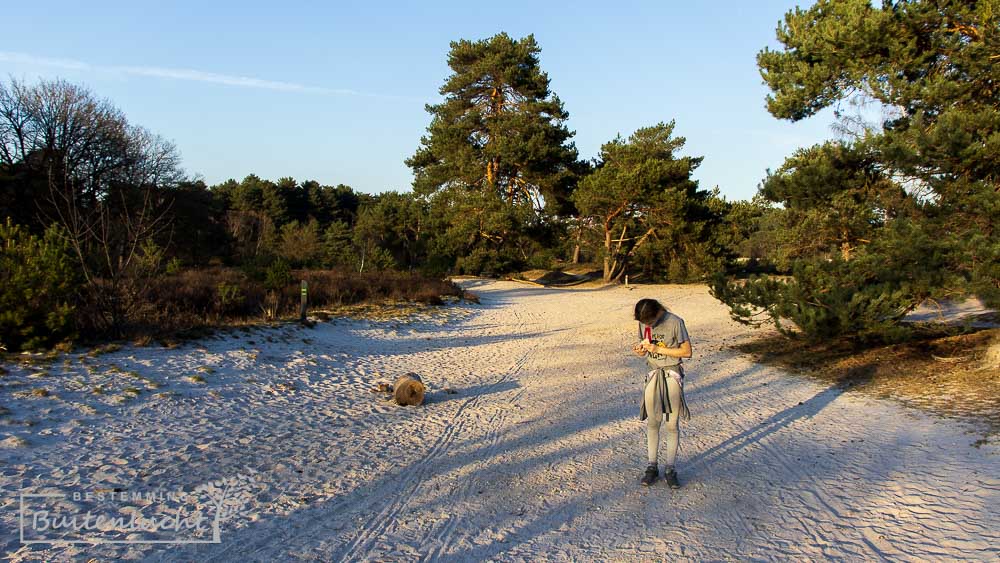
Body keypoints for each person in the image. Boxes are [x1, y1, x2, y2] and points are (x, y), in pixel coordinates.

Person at [631, 298, 691, 488]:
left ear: (658, 312)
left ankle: (670, 468)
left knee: (672, 424)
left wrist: (658, 349)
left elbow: (687, 351)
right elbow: (645, 348)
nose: (647, 325)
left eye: (650, 321)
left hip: (671, 373)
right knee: (653, 421)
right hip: (653, 373)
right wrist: (641, 351)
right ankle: (652, 466)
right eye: (644, 322)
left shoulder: (675, 322)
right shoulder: (644, 323)